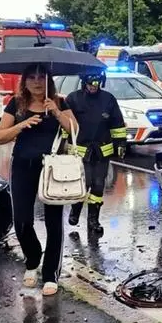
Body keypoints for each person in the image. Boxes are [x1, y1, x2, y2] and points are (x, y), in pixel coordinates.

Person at [0, 64, 78, 297]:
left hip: (52, 169)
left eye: (42, 77)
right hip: (22, 167)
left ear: (49, 80)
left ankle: (51, 274)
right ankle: (33, 259)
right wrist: (21, 125)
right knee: (21, 220)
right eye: (32, 77)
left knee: (53, 222)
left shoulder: (60, 101)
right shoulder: (16, 104)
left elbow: (75, 129)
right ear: (25, 81)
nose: (37, 82)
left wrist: (57, 112)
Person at [65, 71, 127, 236]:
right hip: (80, 151)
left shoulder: (108, 99)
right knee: (82, 185)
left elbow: (117, 123)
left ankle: (93, 220)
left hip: (102, 151)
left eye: (97, 83)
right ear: (84, 82)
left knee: (98, 186)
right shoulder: (73, 99)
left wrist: (121, 143)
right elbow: (66, 124)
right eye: (91, 83)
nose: (94, 87)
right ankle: (75, 211)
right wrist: (61, 146)